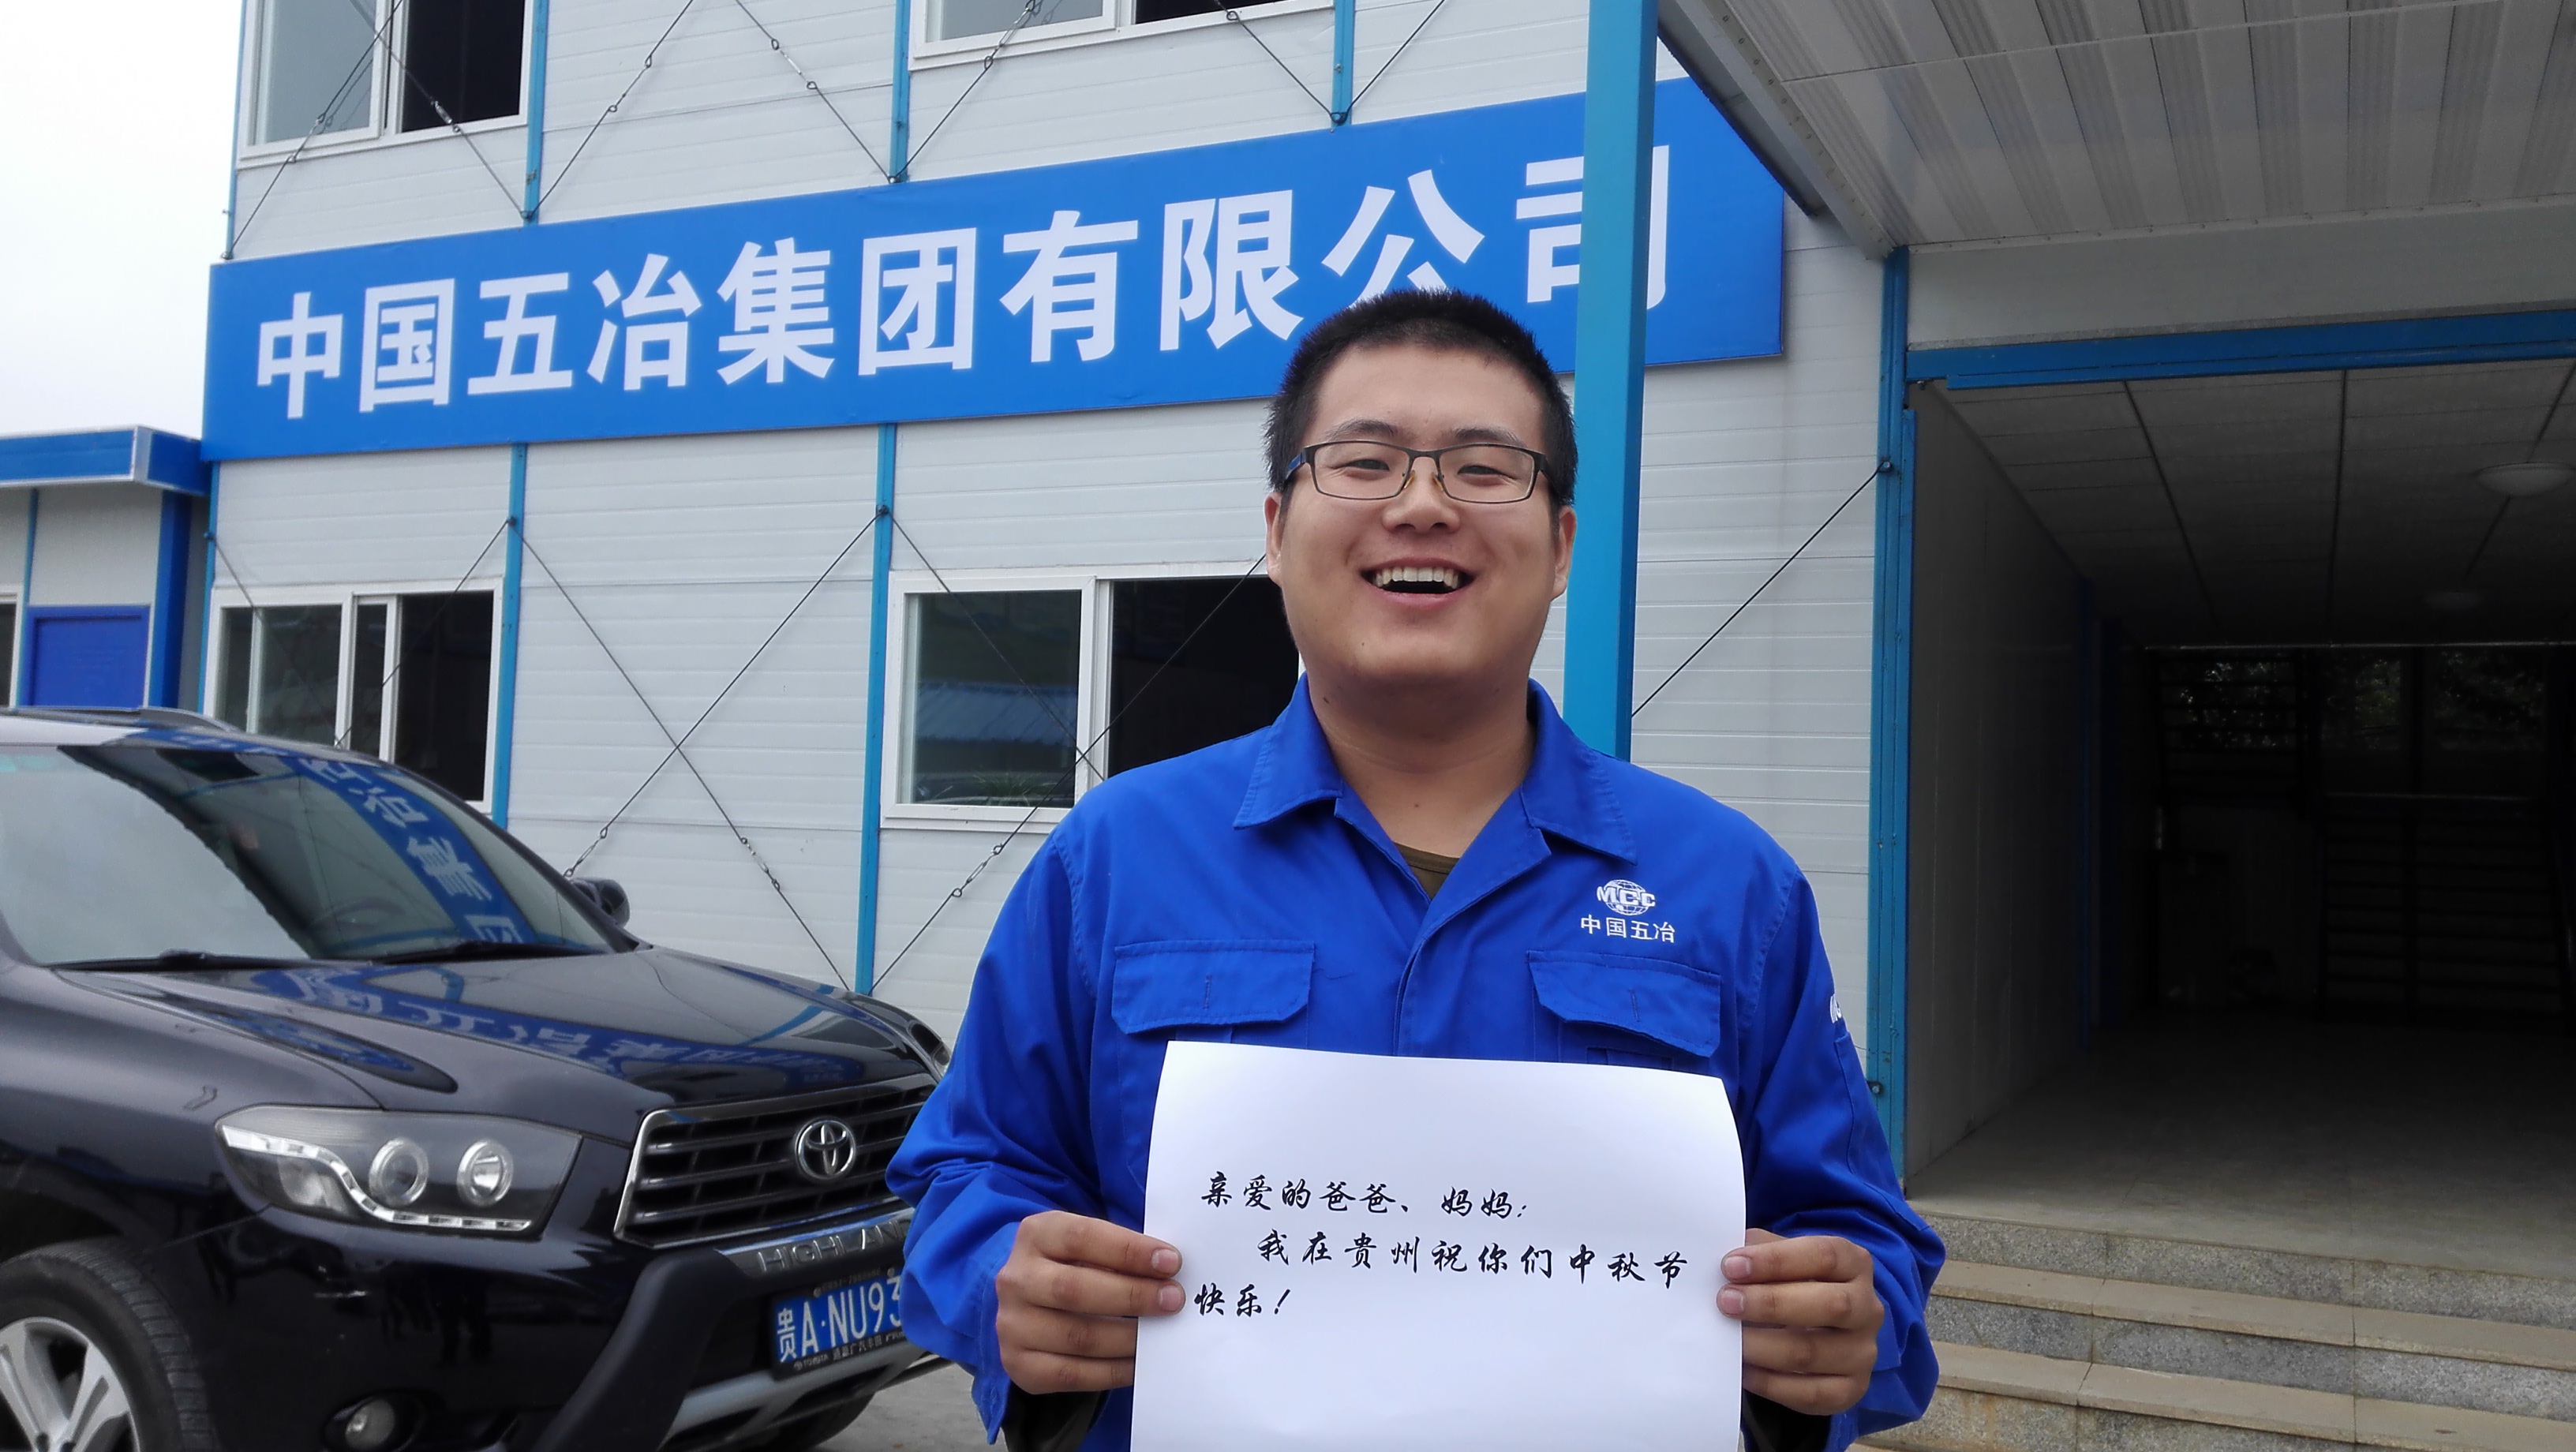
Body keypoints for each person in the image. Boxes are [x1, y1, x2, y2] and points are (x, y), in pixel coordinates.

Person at [888, 290, 1944, 1452]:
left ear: (1562, 546)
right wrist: (1003, 1279)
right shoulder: (1114, 857)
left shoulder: (1731, 888)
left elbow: (1864, 1243)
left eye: (1487, 469)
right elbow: (968, 1175)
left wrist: (1845, 1325)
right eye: (1365, 462)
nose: (1423, 504)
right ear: (1278, 529)